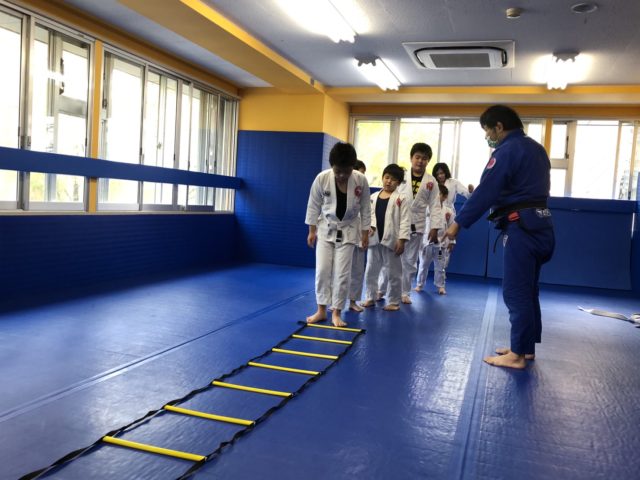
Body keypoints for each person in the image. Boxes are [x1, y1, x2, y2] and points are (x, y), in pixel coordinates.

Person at [442, 104, 555, 369]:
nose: (487, 136)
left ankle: (516, 356)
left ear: (499, 127)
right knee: (529, 289)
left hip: (522, 228)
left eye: (487, 131)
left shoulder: (507, 151)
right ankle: (525, 347)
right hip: (542, 225)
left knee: (516, 291)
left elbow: (486, 191)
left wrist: (458, 223)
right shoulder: (537, 149)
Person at [305, 143, 371, 327]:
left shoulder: (360, 180)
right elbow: (313, 205)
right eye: (338, 171)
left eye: (346, 171)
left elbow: (366, 208)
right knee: (322, 270)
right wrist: (312, 231)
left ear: (352, 167)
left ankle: (336, 312)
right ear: (331, 166)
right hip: (326, 228)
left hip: (349, 229)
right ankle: (321, 310)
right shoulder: (322, 178)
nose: (342, 175)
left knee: (342, 274)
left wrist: (365, 234)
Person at [395, 143, 442, 304]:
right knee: (391, 258)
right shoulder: (400, 176)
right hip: (397, 222)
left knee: (410, 260)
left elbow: (435, 205)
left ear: (428, 161)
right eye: (417, 157)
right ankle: (382, 290)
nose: (420, 161)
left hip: (418, 224)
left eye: (424, 158)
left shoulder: (431, 181)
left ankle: (404, 292)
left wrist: (434, 227)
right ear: (411, 158)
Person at [361, 164, 410, 311]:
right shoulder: (373, 197)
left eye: (393, 179)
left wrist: (402, 240)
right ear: (382, 178)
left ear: (398, 183)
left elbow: (405, 221)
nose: (389, 181)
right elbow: (367, 217)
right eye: (387, 177)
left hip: (392, 240)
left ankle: (394, 301)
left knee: (394, 272)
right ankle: (370, 297)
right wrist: (365, 233)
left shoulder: (401, 199)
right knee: (370, 270)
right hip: (374, 239)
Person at [416, 183, 456, 295]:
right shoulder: (425, 209)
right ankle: (419, 284)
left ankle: (441, 286)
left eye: (440, 194)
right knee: (423, 265)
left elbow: (452, 227)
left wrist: (452, 241)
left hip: (440, 245)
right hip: (426, 243)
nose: (437, 197)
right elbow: (419, 224)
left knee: (440, 266)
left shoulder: (449, 212)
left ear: (445, 197)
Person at [348, 160, 368, 312]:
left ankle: (353, 301)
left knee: (357, 271)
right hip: (344, 235)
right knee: (338, 271)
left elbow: (368, 212)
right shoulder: (341, 187)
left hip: (359, 235)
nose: (361, 177)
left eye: (363, 174)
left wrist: (367, 231)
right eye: (360, 173)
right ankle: (335, 301)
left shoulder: (363, 191)